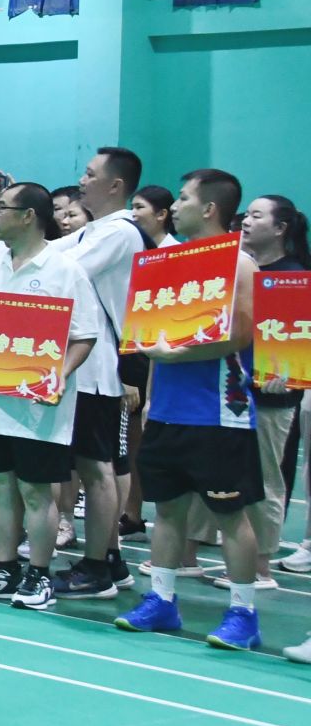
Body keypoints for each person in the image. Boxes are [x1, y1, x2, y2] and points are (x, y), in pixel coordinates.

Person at [117, 169, 265, 651]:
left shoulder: (239, 263)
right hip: (168, 411)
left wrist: (174, 355)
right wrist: (152, 396)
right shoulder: (168, 262)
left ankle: (243, 614)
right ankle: (162, 600)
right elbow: (153, 336)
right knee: (167, 511)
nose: (175, 206)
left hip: (218, 412)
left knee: (229, 515)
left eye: (183, 198)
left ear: (209, 208)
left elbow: (239, 334)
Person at [0, 183, 102, 610]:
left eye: (2, 208)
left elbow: (85, 335)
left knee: (36, 491)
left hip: (38, 406)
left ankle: (39, 574)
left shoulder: (65, 270)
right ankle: (4, 568)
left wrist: (58, 376)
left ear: (29, 216)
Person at [44, 146, 146, 600]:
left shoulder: (120, 232)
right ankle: (113, 560)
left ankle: (97, 567)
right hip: (81, 369)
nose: (81, 181)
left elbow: (61, 274)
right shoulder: (94, 230)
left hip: (98, 367)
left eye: (89, 174)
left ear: (116, 185)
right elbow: (48, 250)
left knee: (96, 468)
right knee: (88, 465)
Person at [241, 194, 308, 594]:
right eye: (246, 214)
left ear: (281, 228)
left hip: (271, 399)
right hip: (232, 393)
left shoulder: (292, 276)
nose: (247, 221)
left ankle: (261, 567)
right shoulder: (242, 268)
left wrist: (286, 374)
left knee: (265, 479)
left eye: (257, 215)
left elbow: (296, 347)